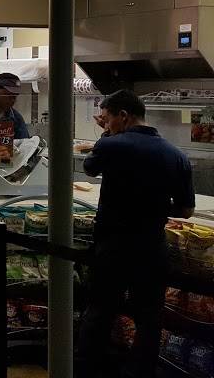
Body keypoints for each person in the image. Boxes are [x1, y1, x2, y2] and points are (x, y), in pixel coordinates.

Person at [76, 90, 194, 378]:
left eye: (107, 119)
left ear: (123, 116)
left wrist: (106, 135)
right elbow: (186, 210)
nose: (106, 125)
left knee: (100, 310)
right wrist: (153, 206)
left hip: (113, 245)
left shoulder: (111, 144)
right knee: (149, 318)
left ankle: (89, 370)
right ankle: (140, 372)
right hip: (152, 246)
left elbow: (89, 169)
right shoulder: (176, 155)